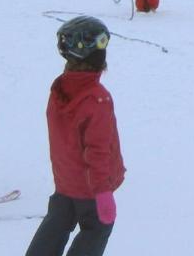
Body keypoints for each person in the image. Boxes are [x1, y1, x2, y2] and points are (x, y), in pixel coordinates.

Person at [24, 16, 125, 256]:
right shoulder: (96, 99)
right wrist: (102, 192)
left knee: (57, 223)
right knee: (97, 228)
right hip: (91, 188)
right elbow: (97, 150)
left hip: (65, 182)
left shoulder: (60, 88)